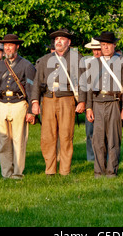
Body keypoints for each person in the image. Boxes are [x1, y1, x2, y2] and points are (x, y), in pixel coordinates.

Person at [31, 29, 86, 176]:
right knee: (47, 136)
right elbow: (36, 83)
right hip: (48, 100)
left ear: (68, 42)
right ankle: (50, 169)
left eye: (62, 39)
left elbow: (82, 82)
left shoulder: (77, 59)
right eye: (56, 39)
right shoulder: (44, 60)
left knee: (66, 135)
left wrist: (82, 101)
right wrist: (35, 102)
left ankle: (65, 170)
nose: (59, 41)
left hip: (67, 100)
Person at [0, 34, 36, 179]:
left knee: (18, 140)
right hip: (2, 104)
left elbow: (31, 89)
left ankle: (17, 173)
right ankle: (6, 173)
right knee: (3, 141)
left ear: (17, 47)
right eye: (6, 46)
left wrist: (31, 112)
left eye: (11, 45)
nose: (8, 48)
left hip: (19, 104)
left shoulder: (27, 65)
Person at [86, 31, 123, 178]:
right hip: (97, 102)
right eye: (103, 45)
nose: (105, 48)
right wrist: (88, 107)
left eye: (108, 45)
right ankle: (98, 171)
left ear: (114, 45)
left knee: (113, 139)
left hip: (114, 103)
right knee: (98, 140)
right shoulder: (93, 64)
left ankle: (112, 171)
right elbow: (88, 87)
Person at [83, 38, 102, 161]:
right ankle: (91, 157)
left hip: (105, 99)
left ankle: (104, 156)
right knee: (90, 131)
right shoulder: (87, 63)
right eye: (94, 49)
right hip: (90, 99)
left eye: (98, 49)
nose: (96, 52)